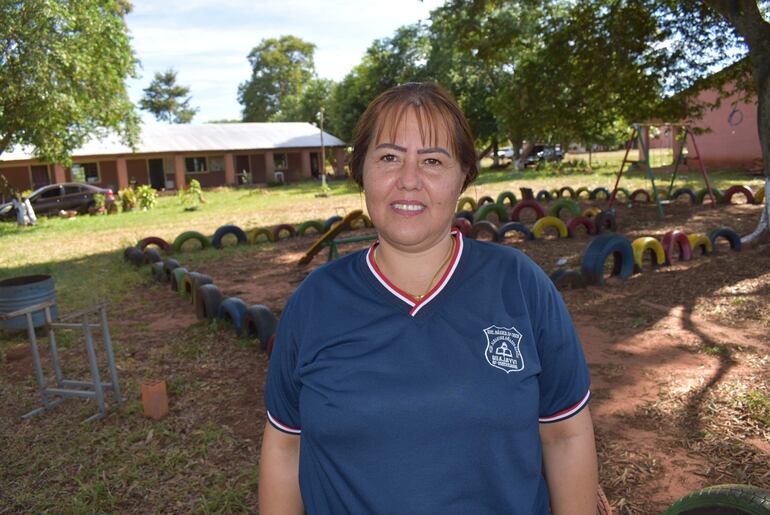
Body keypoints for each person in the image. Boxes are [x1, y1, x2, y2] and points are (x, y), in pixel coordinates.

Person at [259, 82, 597, 515]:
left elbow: (565, 436)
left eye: (433, 161)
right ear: (361, 171)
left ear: (464, 177)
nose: (409, 180)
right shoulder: (314, 302)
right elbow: (286, 447)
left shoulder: (519, 286)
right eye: (389, 157)